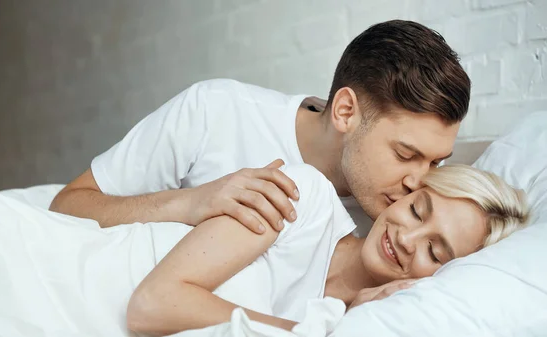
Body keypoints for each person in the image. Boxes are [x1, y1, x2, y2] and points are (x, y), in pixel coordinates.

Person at [48, 20, 471, 236]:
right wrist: (191, 204)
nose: (419, 181)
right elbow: (69, 204)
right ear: (345, 112)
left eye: (435, 161)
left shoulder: (409, 223)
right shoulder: (217, 110)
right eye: (404, 154)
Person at [124, 164, 529, 335]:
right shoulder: (303, 198)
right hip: (75, 279)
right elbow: (152, 303)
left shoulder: (364, 324)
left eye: (435, 253)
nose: (406, 238)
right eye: (417, 210)